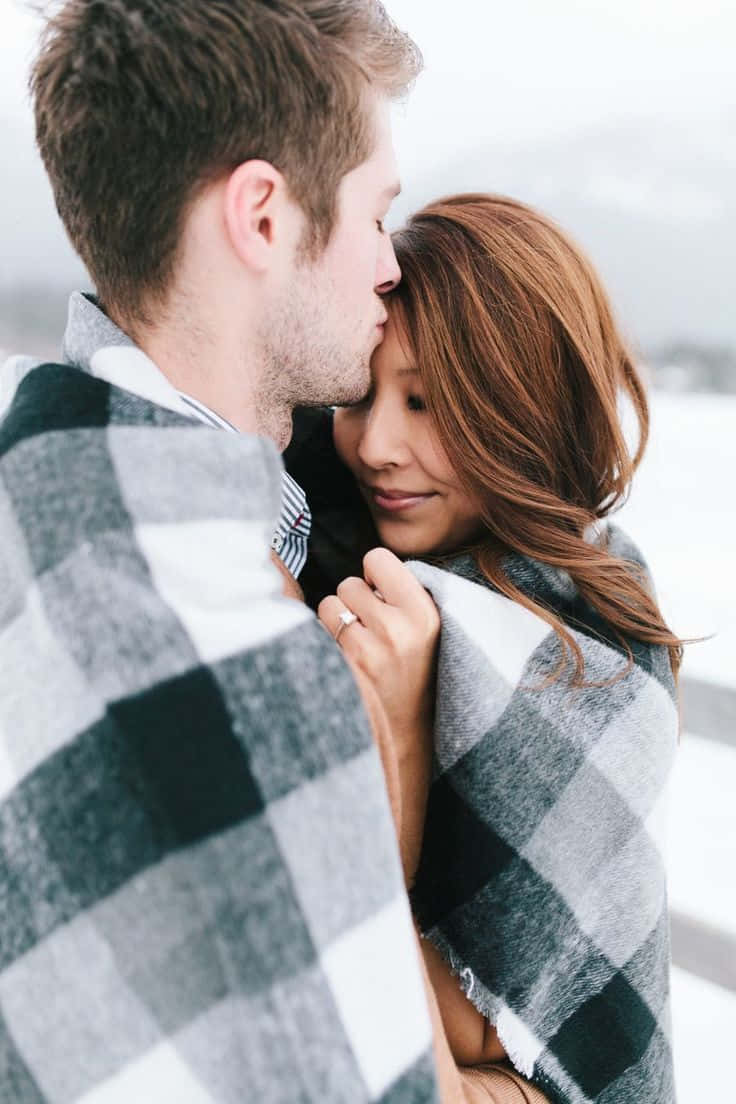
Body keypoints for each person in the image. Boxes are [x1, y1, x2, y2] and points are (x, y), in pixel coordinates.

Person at [0, 4, 548, 1102]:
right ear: (262, 215)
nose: (390, 267)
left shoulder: (42, 499)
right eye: (375, 214)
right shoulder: (232, 655)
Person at [286, 194, 683, 1103]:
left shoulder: (599, 647)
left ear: (523, 408)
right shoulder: (319, 559)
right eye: (359, 397)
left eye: (425, 403)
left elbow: (516, 1021)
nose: (376, 445)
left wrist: (404, 734)